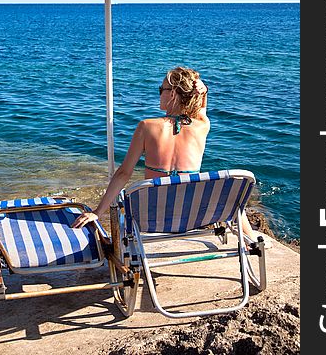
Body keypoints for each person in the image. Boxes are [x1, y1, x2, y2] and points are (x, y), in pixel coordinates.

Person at [72, 66, 263, 243]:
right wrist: (204, 92)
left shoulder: (146, 127)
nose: (159, 94)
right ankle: (251, 240)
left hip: (154, 217)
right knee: (231, 197)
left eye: (160, 89)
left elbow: (123, 174)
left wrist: (98, 211)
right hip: (194, 215)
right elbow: (201, 110)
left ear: (172, 93)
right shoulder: (203, 126)